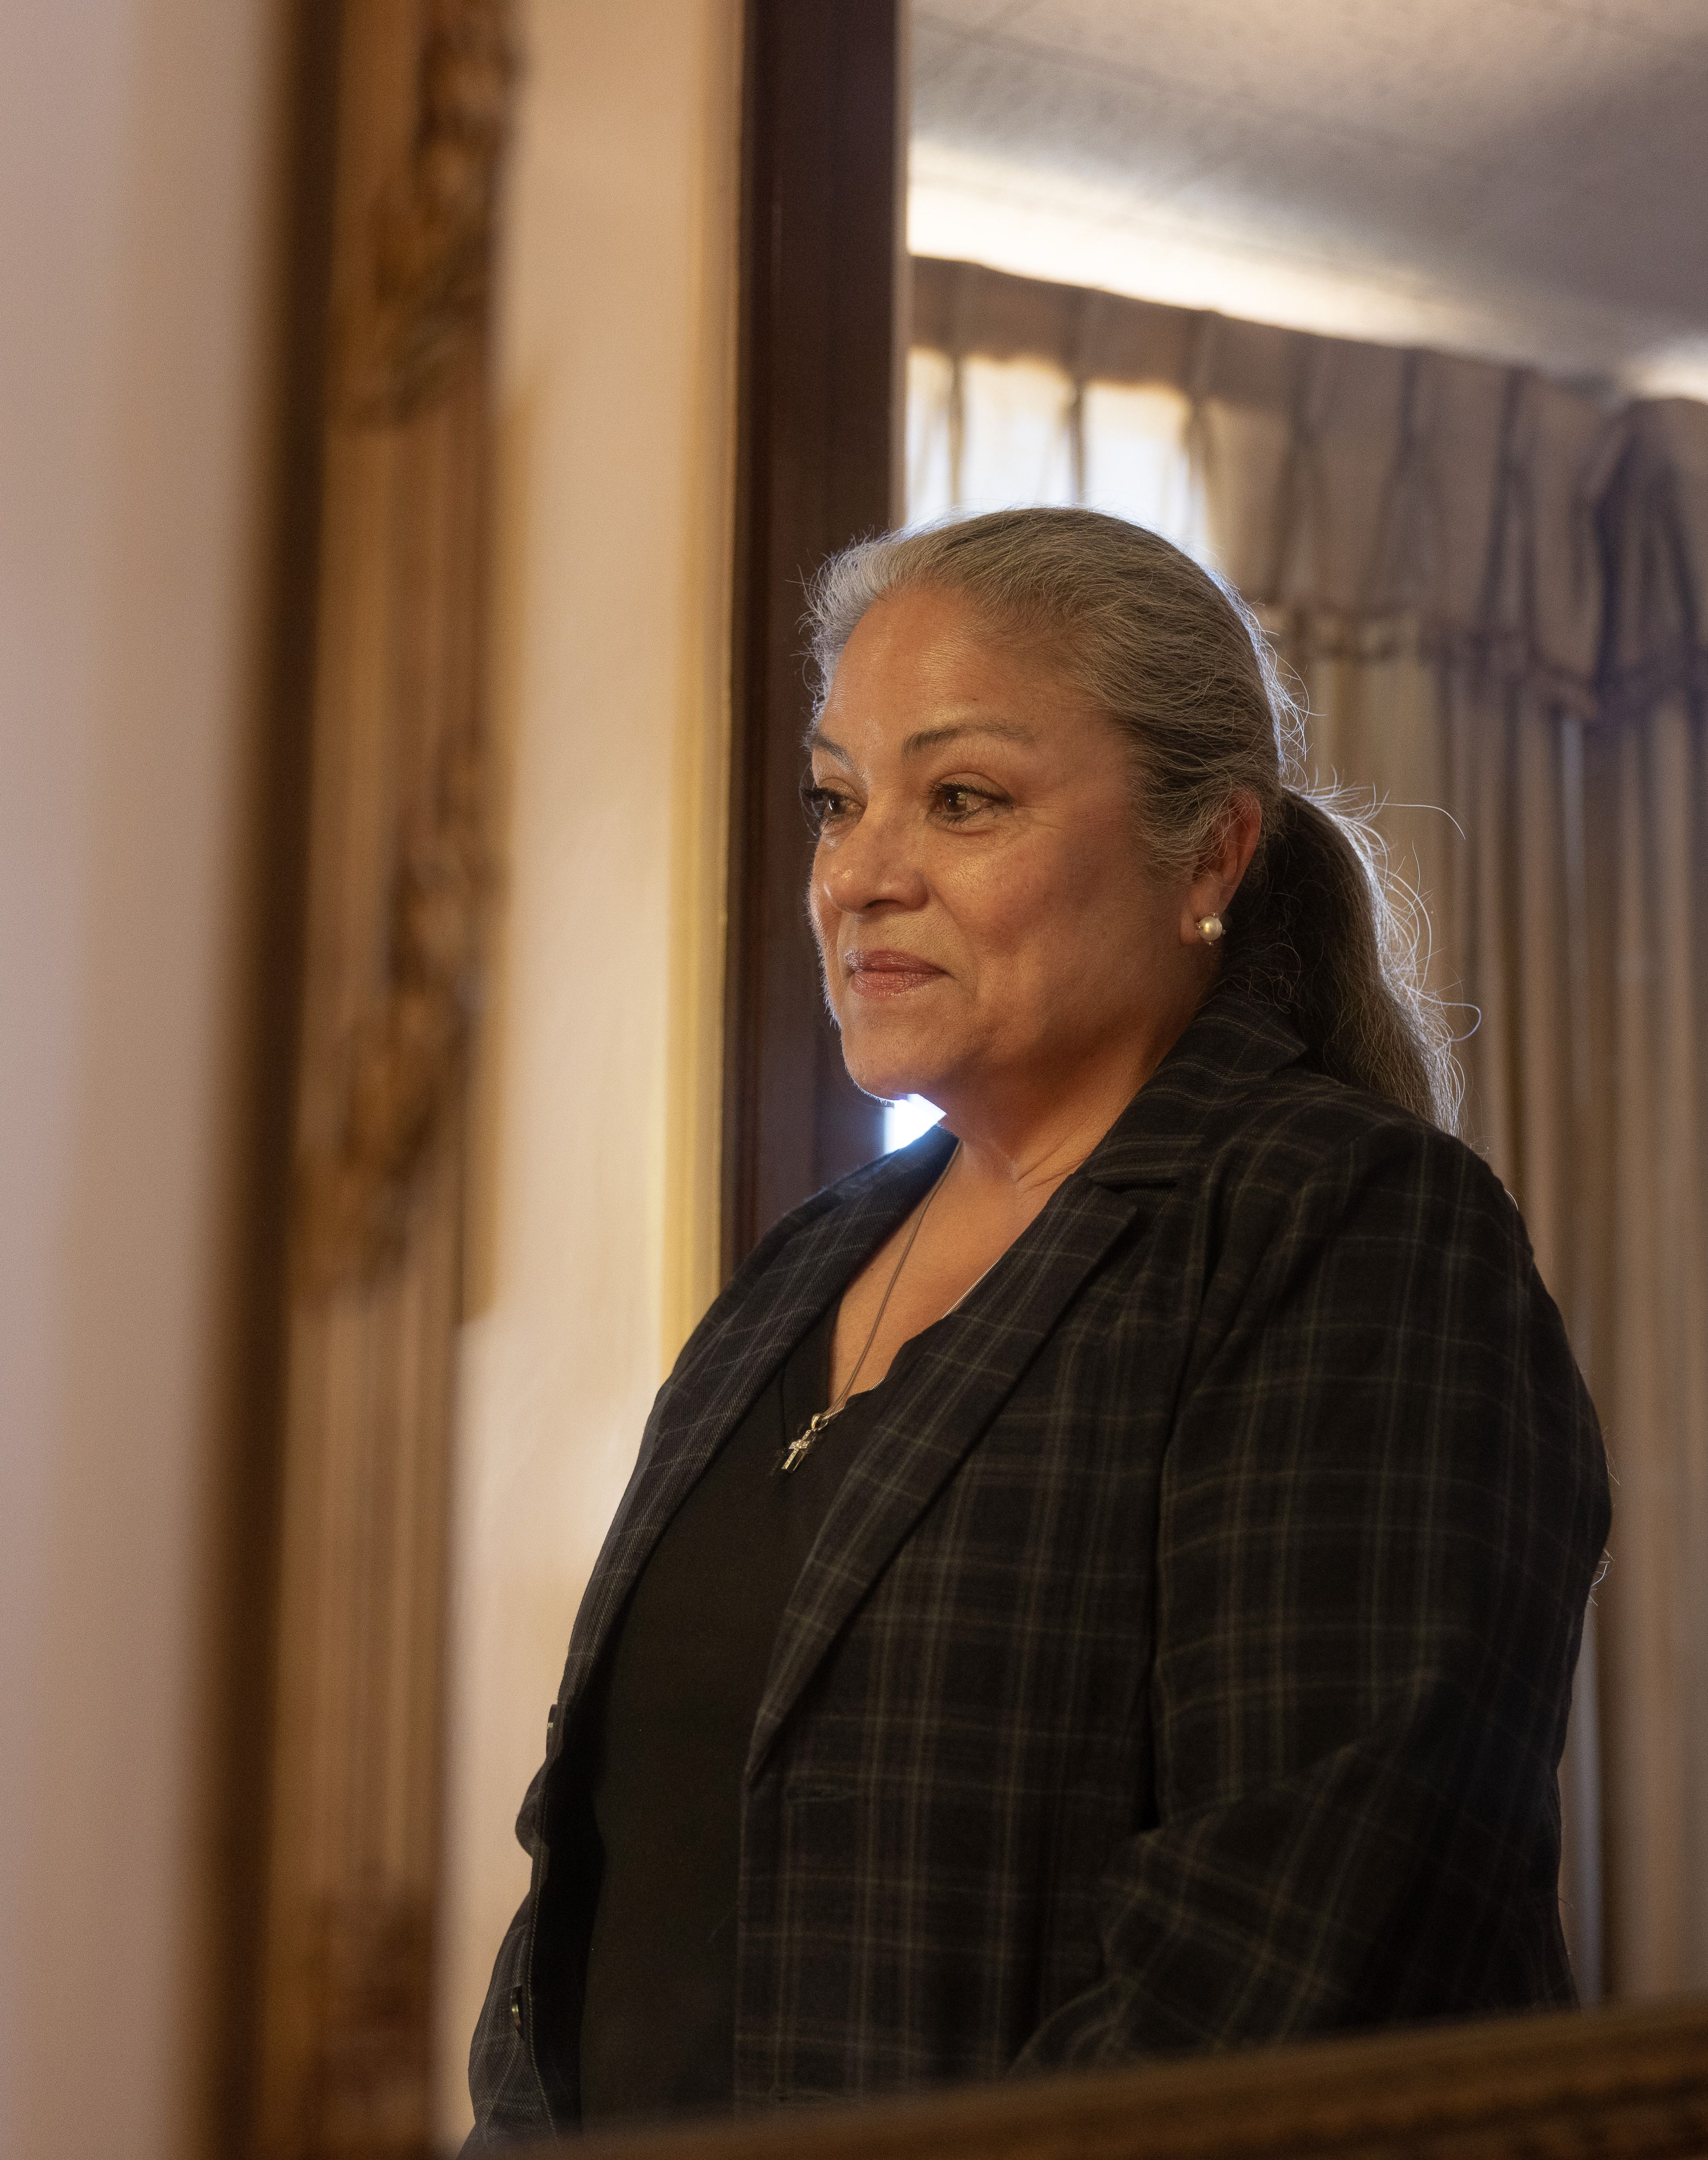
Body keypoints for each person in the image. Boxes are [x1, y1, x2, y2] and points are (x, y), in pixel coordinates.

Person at [466, 507, 1610, 2141]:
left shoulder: (1348, 1231)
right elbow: (590, 1880)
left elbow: (1287, 1948)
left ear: (1211, 852)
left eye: (964, 799)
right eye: (836, 799)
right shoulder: (796, 1274)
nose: (859, 874)